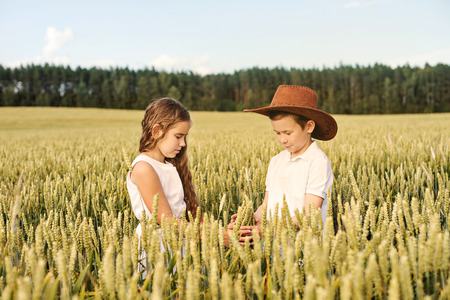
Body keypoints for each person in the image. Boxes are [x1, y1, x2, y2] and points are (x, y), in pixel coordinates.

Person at [230, 85, 338, 239]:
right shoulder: (276, 161)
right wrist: (247, 222)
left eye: (288, 133)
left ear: (309, 126)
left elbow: (309, 214)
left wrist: (266, 233)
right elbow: (266, 206)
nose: (283, 139)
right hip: (276, 247)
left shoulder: (317, 161)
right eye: (277, 133)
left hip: (307, 249)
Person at [126, 97, 199, 274]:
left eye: (185, 137)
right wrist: (217, 238)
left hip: (179, 239)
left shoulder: (169, 165)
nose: (183, 144)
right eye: (178, 136)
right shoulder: (144, 167)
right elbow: (166, 219)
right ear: (157, 131)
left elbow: (184, 213)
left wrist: (224, 231)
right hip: (156, 248)